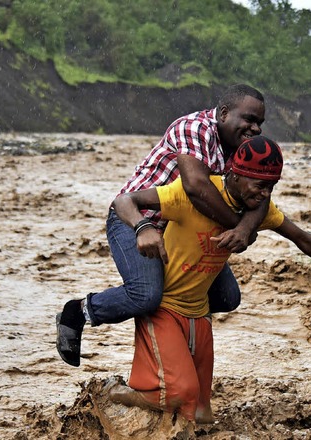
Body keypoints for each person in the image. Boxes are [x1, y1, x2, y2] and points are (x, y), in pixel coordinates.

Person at [106, 136, 311, 423]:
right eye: (259, 185)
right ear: (234, 175)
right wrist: (142, 227)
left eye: (271, 187)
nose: (265, 194)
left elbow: (303, 239)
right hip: (163, 309)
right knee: (178, 393)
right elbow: (123, 200)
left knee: (201, 414)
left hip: (198, 314)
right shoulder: (191, 195)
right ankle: (116, 393)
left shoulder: (251, 210)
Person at [57, 84, 273, 367]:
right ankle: (80, 311)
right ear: (223, 113)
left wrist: (245, 229)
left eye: (260, 123)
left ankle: (171, 330)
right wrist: (238, 224)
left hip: (181, 229)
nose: (255, 129)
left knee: (226, 297)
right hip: (137, 217)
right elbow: (195, 186)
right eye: (249, 120)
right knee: (146, 295)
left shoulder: (240, 148)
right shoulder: (194, 128)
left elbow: (263, 194)